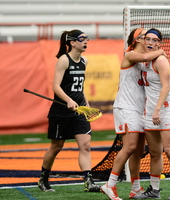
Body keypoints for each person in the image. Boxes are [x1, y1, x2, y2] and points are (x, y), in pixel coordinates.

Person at [100, 28, 167, 200]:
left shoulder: (148, 62)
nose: (148, 41)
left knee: (137, 151)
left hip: (140, 110)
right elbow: (145, 57)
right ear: (137, 40)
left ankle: (135, 188)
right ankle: (110, 184)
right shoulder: (130, 55)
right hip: (126, 108)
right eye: (145, 37)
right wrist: (161, 50)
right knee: (129, 147)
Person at [38, 29, 100, 193]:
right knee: (56, 147)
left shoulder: (84, 61)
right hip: (61, 111)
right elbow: (55, 86)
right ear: (72, 42)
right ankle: (43, 178)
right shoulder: (64, 60)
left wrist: (86, 104)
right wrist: (68, 100)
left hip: (79, 111)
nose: (86, 42)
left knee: (85, 145)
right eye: (82, 39)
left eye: (87, 39)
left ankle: (89, 181)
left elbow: (80, 87)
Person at [133, 28, 170, 200]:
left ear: (159, 43)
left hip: (165, 109)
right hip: (150, 110)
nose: (150, 42)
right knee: (155, 152)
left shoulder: (161, 60)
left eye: (154, 40)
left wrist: (157, 109)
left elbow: (165, 86)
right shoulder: (143, 60)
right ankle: (154, 190)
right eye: (147, 39)